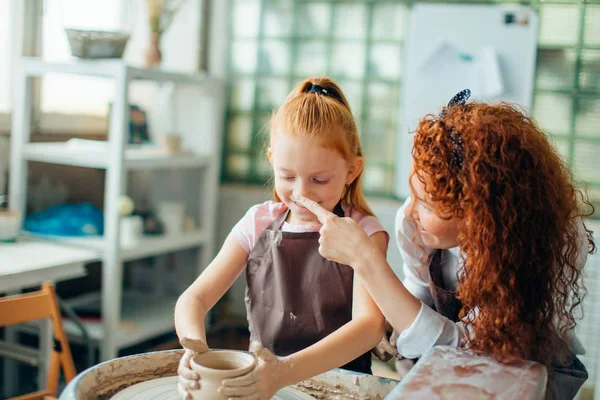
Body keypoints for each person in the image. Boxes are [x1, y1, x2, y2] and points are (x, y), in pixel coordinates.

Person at [294, 90, 596, 400]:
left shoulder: (545, 244)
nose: (410, 212)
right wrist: (392, 323)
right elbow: (420, 297)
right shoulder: (413, 225)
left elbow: (471, 350)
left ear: (479, 210)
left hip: (521, 370)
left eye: (427, 204)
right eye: (413, 194)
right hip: (439, 363)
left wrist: (366, 260)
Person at [175, 77, 388, 399]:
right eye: (287, 176)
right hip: (265, 386)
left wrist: (284, 372)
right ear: (272, 159)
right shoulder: (257, 222)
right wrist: (194, 351)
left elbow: (369, 326)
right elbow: (194, 299)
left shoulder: (365, 233)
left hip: (342, 387)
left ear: (352, 171)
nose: (301, 193)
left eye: (319, 179)